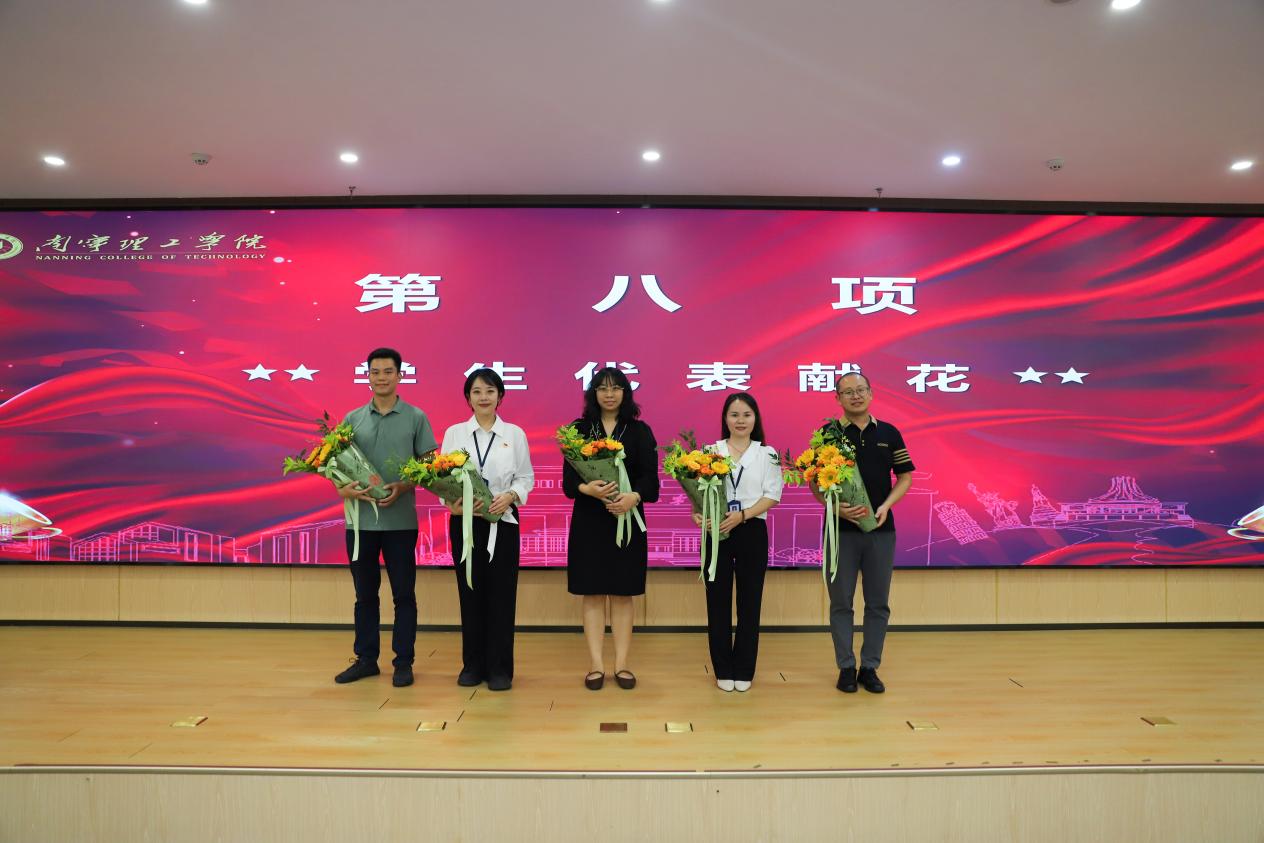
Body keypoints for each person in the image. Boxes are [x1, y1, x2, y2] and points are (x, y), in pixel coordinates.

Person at [333, 347, 437, 688]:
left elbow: (429, 464)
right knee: (364, 595)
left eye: (388, 371)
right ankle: (366, 660)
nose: (381, 377)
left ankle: (403, 662)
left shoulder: (416, 417)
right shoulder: (352, 419)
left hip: (400, 522)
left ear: (399, 375)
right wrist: (344, 489)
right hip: (360, 523)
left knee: (404, 595)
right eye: (375, 372)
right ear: (367, 376)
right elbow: (335, 464)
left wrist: (405, 485)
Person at [815, 371, 914, 695]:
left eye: (861, 390)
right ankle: (846, 667)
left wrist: (886, 506)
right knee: (841, 603)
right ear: (837, 398)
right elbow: (815, 484)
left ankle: (870, 667)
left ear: (871, 394)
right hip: (840, 532)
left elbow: (905, 477)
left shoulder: (889, 432)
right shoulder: (827, 435)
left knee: (878, 603)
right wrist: (835, 509)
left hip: (881, 532)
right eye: (848, 392)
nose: (855, 396)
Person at [562, 367, 659, 691]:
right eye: (602, 388)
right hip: (590, 520)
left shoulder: (639, 431)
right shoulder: (579, 430)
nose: (609, 394)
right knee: (592, 593)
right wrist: (588, 489)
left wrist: (633, 497)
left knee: (622, 593)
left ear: (625, 393)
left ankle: (621, 664)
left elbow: (651, 481)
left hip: (627, 520)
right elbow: (568, 482)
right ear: (593, 393)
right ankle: (596, 665)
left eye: (615, 388)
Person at [438, 368, 534, 692]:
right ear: (468, 398)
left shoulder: (514, 434)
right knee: (470, 594)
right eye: (477, 392)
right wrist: (451, 503)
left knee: (502, 596)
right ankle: (472, 665)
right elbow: (442, 476)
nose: (483, 397)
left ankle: (500, 669)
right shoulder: (454, 434)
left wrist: (511, 495)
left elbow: (525, 478)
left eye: (490, 391)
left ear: (500, 396)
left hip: (503, 522)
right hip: (465, 522)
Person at [695, 392, 782, 693]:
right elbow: (698, 494)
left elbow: (772, 495)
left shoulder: (767, 453)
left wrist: (743, 515)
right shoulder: (710, 451)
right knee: (717, 602)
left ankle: (744, 669)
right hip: (717, 531)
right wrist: (698, 515)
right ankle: (723, 668)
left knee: (750, 602)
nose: (740, 420)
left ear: (755, 418)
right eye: (734, 415)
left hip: (751, 529)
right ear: (725, 419)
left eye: (746, 414)